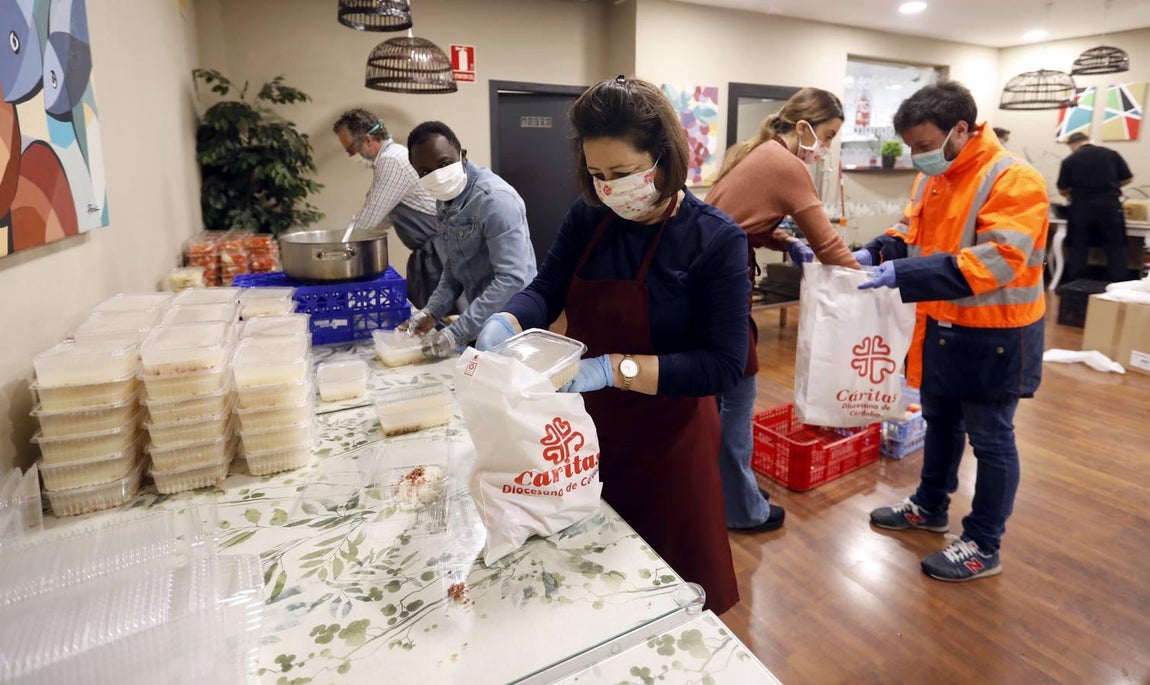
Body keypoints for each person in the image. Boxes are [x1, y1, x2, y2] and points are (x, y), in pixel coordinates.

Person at [474, 76, 749, 614]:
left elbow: (722, 365)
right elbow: (547, 287)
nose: (608, 188)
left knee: (668, 589)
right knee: (594, 585)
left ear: (663, 158)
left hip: (669, 442)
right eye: (597, 175)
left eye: (621, 174)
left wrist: (611, 370)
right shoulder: (591, 216)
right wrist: (508, 319)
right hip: (586, 431)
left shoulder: (715, 239)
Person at [857, 80, 1048, 582]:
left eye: (923, 144)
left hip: (995, 334)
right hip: (940, 324)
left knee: (991, 439)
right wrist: (874, 251)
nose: (917, 156)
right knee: (940, 422)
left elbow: (998, 259)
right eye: (911, 147)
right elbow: (909, 233)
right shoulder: (933, 178)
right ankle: (930, 506)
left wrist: (904, 273)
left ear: (960, 129)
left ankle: (984, 543)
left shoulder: (1014, 179)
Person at [705, 88, 861, 533]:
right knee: (739, 398)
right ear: (804, 126)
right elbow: (828, 244)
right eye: (827, 136)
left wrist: (786, 241)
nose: (825, 148)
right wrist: (869, 282)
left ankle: (730, 489)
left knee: (720, 398)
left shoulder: (755, 154)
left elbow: (742, 217)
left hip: (704, 288)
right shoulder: (786, 165)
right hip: (720, 293)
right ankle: (742, 509)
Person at [401, 121, 537, 359]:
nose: (437, 176)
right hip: (483, 318)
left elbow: (511, 279)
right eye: (425, 172)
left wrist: (457, 333)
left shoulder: (495, 200)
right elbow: (455, 266)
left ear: (462, 155)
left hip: (514, 322)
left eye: (444, 164)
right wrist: (432, 312)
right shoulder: (445, 199)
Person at [333, 109, 444, 309]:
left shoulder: (391, 160)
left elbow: (368, 220)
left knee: (439, 318)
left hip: (439, 253)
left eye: (350, 149)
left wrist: (335, 256)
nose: (351, 156)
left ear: (367, 140)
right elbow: (382, 219)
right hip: (432, 251)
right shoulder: (395, 157)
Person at [1056, 131, 1133, 282]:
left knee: (1079, 246)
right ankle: (1118, 283)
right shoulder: (1111, 154)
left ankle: (1076, 283)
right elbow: (1128, 179)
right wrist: (1110, 187)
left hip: (1081, 207)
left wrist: (1074, 193)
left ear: (1073, 145)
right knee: (1115, 245)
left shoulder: (1070, 160)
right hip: (1110, 206)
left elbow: (1062, 189)